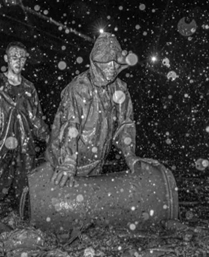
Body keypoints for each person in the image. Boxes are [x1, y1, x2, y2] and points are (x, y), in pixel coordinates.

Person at [45, 32, 148, 188]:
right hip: (63, 163)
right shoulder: (79, 88)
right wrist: (68, 161)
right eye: (107, 62)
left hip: (95, 161)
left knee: (89, 197)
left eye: (115, 62)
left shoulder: (120, 89)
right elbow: (70, 125)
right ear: (96, 62)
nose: (112, 67)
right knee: (59, 197)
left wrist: (130, 156)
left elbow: (125, 125)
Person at [0, 42, 50, 207]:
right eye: (14, 57)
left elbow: (36, 118)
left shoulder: (29, 88)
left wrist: (48, 137)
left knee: (25, 187)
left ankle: (22, 215)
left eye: (22, 58)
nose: (18, 61)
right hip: (0, 145)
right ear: (6, 59)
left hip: (25, 145)